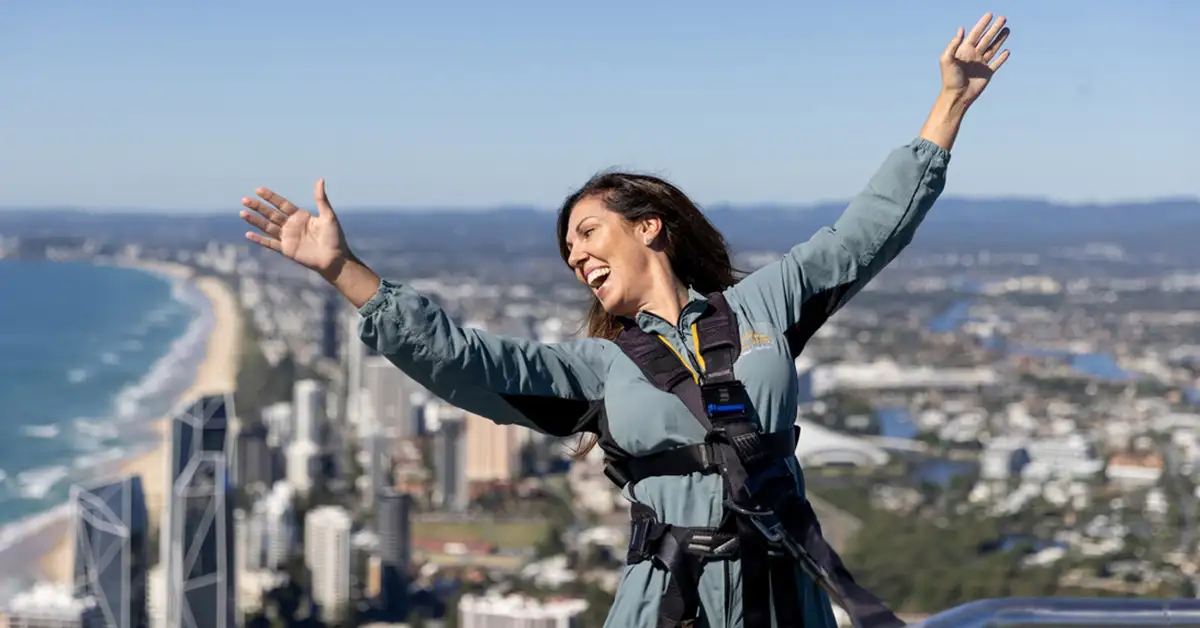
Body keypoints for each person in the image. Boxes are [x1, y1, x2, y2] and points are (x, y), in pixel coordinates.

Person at [238, 12, 1011, 628]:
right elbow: (465, 361)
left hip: (784, 604)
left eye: (586, 233)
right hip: (671, 608)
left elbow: (866, 233)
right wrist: (345, 272)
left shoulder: (765, 308)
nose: (575, 257)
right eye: (566, 251)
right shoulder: (598, 369)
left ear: (649, 227)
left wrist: (949, 104)